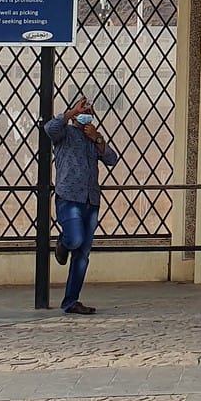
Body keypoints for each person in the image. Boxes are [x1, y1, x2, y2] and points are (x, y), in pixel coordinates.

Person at [46, 94, 121, 314]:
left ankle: (71, 300)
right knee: (75, 238)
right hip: (69, 197)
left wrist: (97, 139)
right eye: (83, 112)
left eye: (89, 113)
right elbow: (50, 128)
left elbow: (111, 159)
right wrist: (71, 113)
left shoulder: (93, 138)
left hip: (91, 199)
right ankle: (63, 242)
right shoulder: (65, 134)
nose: (86, 116)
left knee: (83, 254)